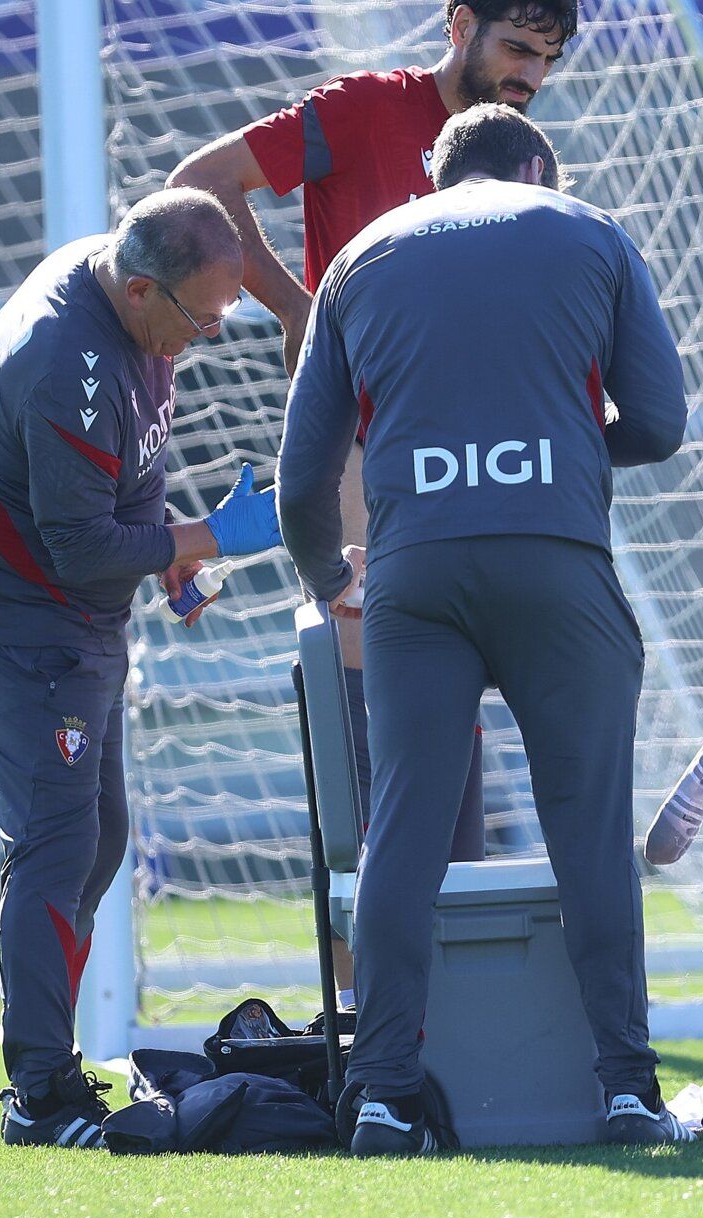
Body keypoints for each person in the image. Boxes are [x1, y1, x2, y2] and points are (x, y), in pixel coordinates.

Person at [276, 104, 688, 1153]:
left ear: (434, 169)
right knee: (589, 828)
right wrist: (557, 446)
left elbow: (300, 482)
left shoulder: (360, 257)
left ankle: (378, 1093)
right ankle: (628, 1090)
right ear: (535, 166)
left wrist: (334, 578)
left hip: (414, 577)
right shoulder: (587, 228)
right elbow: (661, 421)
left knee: (402, 833)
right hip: (555, 561)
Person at [169, 1, 582, 887]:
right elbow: (199, 182)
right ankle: (371, 999)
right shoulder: (363, 110)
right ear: (458, 24)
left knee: (451, 697)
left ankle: (453, 974)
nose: (530, 78)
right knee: (374, 704)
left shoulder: (521, 165)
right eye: (516, 49)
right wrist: (294, 307)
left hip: (478, 462)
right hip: (361, 444)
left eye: (546, 60)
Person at [0, 189, 286, 1148]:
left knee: (98, 839)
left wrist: (172, 551)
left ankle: (48, 1065)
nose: (211, 335)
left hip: (73, 622)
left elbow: (129, 468)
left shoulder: (128, 304)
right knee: (57, 841)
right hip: (20, 626)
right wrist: (210, 535)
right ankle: (41, 1093)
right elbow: (81, 544)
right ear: (140, 290)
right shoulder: (64, 358)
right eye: (202, 317)